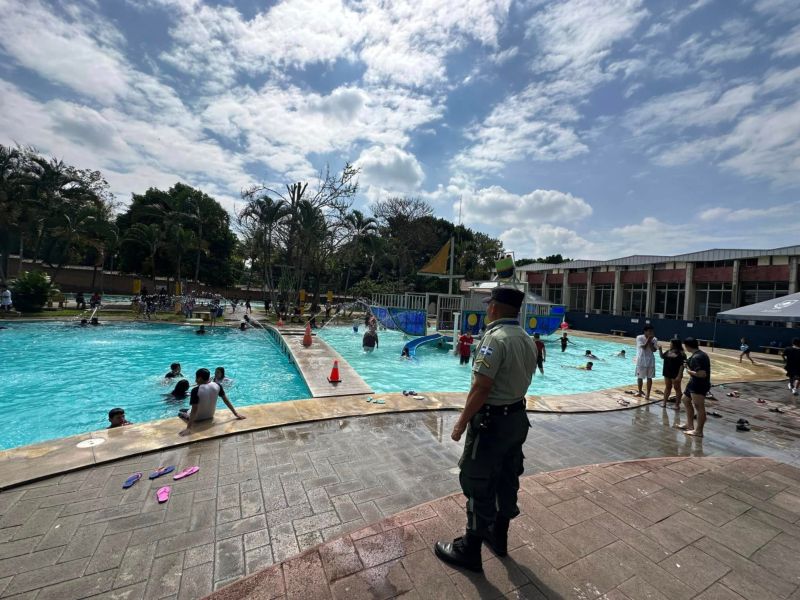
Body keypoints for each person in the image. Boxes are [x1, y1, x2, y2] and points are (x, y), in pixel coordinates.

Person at [434, 287, 537, 573]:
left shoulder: (494, 339)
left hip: (492, 422)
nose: (487, 307)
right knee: (507, 477)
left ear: (494, 308)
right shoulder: (527, 340)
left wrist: (460, 423)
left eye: (489, 303)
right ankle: (498, 535)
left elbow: (481, 387)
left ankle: (470, 549)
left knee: (477, 480)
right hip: (517, 418)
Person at [179, 368, 245, 435]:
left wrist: (188, 428)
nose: (195, 380)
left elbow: (194, 410)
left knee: (181, 412)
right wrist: (236, 414)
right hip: (210, 416)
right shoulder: (218, 385)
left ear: (199, 378)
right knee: (187, 410)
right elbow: (226, 400)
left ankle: (183, 415)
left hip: (197, 418)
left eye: (196, 378)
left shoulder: (195, 390)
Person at [681, 337, 711, 438]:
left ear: (687, 346)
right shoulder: (700, 354)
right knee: (685, 400)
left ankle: (699, 431)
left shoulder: (696, 357)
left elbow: (702, 374)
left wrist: (688, 371)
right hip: (693, 383)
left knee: (699, 407)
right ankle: (689, 425)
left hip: (699, 384)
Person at [659, 339, 686, 409]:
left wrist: (679, 375)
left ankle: (677, 405)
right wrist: (660, 350)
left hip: (676, 373)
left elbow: (682, 365)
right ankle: (664, 403)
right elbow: (662, 357)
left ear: (674, 344)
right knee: (668, 387)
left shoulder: (681, 353)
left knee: (677, 388)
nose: (669, 344)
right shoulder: (669, 351)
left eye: (670, 343)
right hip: (667, 372)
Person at [635, 325, 658, 400]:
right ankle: (640, 391)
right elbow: (644, 347)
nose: (651, 333)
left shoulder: (654, 339)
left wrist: (651, 340)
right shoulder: (639, 337)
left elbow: (654, 350)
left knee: (649, 378)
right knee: (639, 377)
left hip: (650, 360)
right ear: (645, 331)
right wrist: (649, 339)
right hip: (641, 360)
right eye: (649, 331)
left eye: (652, 331)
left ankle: (648, 394)